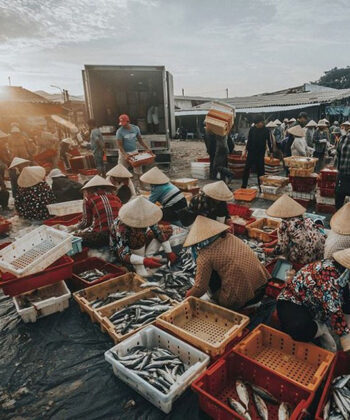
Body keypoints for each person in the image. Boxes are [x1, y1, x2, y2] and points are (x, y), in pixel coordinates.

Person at [184, 216, 269, 309]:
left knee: (208, 276)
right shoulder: (231, 237)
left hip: (242, 300)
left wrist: (187, 297)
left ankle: (226, 300)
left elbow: (200, 288)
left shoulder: (205, 254)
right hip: (262, 289)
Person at [277, 248, 350, 352]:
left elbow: (344, 301)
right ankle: (320, 328)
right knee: (299, 331)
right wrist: (346, 342)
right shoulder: (330, 275)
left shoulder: (342, 271)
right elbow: (335, 311)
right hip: (293, 300)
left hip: (313, 303)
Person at [110, 196, 176, 277]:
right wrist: (143, 261)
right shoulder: (121, 226)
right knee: (138, 236)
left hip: (139, 246)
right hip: (121, 250)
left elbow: (158, 232)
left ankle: (148, 255)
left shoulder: (147, 216)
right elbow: (123, 254)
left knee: (166, 230)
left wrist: (169, 252)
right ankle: (139, 266)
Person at [264, 194, 325, 267]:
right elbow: (288, 238)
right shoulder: (306, 218)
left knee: (287, 253)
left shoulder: (284, 225)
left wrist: (267, 250)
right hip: (320, 251)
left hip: (307, 255)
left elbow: (281, 249)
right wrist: (270, 244)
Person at [68, 175, 122, 247]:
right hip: (119, 234)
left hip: (103, 237)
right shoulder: (116, 198)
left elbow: (86, 223)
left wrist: (75, 227)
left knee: (75, 239)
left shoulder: (88, 199)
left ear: (90, 189)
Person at [241, 115, 272, 190]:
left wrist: (271, 152)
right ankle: (243, 186)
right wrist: (245, 151)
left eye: (261, 122)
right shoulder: (252, 129)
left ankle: (261, 188)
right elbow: (249, 141)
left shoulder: (266, 130)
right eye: (258, 123)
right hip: (251, 152)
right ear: (256, 123)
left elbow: (269, 142)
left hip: (260, 153)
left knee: (261, 171)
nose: (260, 124)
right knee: (246, 169)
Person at [335, 124, 350, 209]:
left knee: (339, 200)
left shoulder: (343, 138)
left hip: (342, 174)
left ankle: (337, 219)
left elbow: (338, 156)